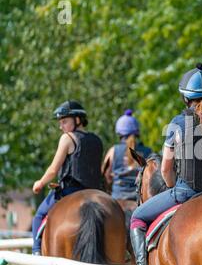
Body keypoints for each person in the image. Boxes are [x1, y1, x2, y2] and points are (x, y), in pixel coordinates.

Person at [130, 63, 202, 265]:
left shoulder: (179, 122)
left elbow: (165, 167)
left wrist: (172, 185)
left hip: (186, 192)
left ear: (185, 97)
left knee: (137, 217)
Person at [31, 100, 103, 256]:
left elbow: (53, 170)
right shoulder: (97, 140)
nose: (61, 126)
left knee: (38, 216)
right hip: (96, 193)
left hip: (70, 191)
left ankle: (36, 253)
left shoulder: (67, 138)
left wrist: (40, 183)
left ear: (77, 120)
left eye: (64, 121)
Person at [102, 109, 152, 201]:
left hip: (117, 196)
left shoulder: (113, 150)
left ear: (119, 133)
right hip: (139, 198)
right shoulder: (147, 152)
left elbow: (106, 176)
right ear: (137, 132)